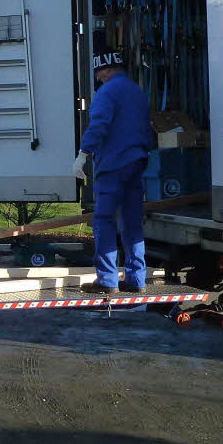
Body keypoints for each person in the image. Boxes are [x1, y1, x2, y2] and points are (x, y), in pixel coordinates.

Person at [73, 48, 155, 296]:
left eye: (99, 72)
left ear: (106, 68)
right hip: (136, 163)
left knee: (104, 220)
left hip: (112, 165)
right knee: (132, 222)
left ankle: (107, 280)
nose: (98, 78)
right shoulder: (137, 91)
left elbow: (99, 125)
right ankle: (137, 279)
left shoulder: (107, 92)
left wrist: (83, 154)